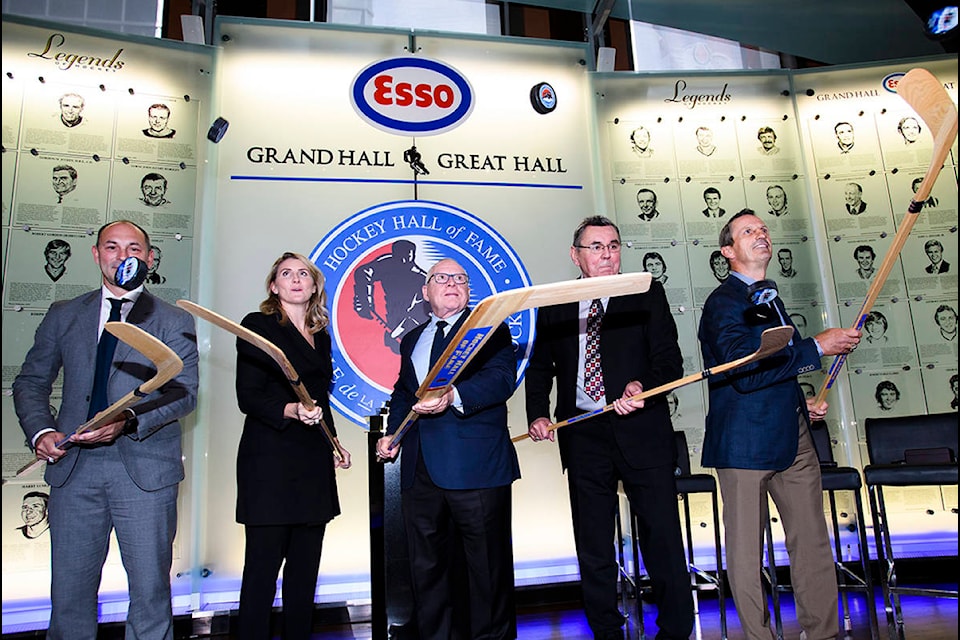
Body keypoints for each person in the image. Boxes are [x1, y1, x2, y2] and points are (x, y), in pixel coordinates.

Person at [12, 219, 200, 640]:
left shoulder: (173, 319)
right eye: (112, 247)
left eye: (134, 248)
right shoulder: (65, 314)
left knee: (150, 595)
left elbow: (185, 393)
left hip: (144, 471)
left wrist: (128, 421)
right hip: (73, 469)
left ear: (149, 258)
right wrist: (41, 431)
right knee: (70, 595)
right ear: (97, 255)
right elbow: (30, 382)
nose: (123, 256)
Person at [525, 215, 694, 640]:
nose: (607, 254)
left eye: (613, 245)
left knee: (661, 539)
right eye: (596, 247)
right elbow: (539, 367)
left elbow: (668, 362)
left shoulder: (645, 292)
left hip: (642, 429)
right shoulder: (555, 301)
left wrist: (645, 387)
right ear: (575, 255)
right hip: (583, 433)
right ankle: (606, 631)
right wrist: (537, 414)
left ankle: (674, 630)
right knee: (594, 544)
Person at [698, 209, 861, 640]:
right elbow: (743, 368)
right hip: (745, 445)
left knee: (811, 544)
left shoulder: (769, 295)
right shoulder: (723, 303)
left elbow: (772, 369)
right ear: (728, 251)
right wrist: (815, 347)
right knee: (746, 555)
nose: (761, 235)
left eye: (764, 229)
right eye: (748, 231)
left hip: (794, 438)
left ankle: (822, 633)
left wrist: (798, 401)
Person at [376, 258, 520, 640]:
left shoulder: (489, 330)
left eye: (460, 278)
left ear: (469, 290)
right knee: (427, 569)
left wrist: (455, 394)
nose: (452, 283)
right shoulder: (412, 339)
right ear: (425, 292)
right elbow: (405, 392)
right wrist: (393, 435)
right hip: (420, 471)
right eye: (441, 278)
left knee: (486, 571)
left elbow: (502, 379)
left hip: (476, 468)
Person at [235, 252, 352, 640]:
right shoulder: (258, 325)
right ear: (274, 286)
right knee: (262, 573)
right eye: (286, 273)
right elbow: (248, 396)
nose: (296, 279)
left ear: (315, 285)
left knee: (304, 574)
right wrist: (289, 409)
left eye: (304, 273)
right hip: (270, 461)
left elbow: (320, 399)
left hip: (312, 461)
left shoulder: (320, 336)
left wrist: (335, 443)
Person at [353, 239, 430, 353]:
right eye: (400, 256)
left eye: (407, 256)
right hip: (391, 316)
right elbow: (363, 272)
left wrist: (398, 331)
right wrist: (365, 300)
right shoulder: (387, 265)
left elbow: (420, 312)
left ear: (413, 255)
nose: (404, 260)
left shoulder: (421, 279)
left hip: (411, 325)